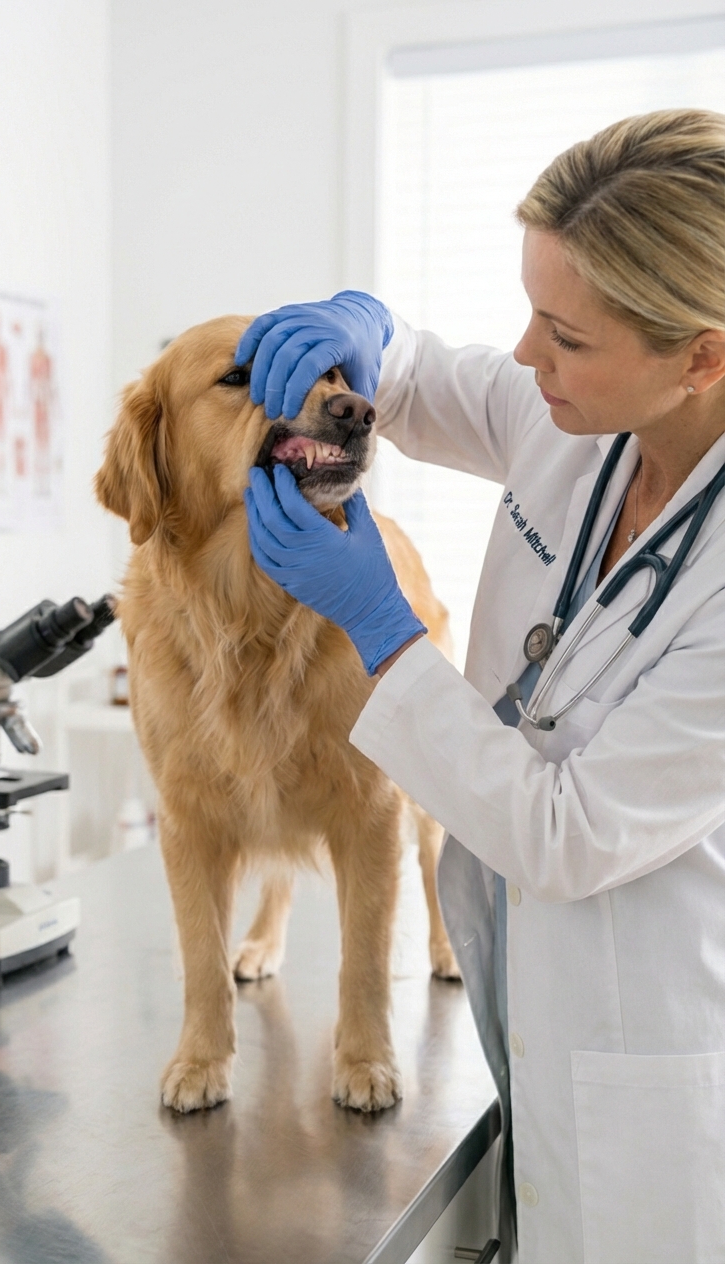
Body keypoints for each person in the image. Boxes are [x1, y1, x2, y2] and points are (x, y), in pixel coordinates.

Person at [240, 109, 725, 1263]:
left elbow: (563, 834)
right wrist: (356, 326)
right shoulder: (582, 424)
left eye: (562, 333)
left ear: (700, 355)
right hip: (526, 1003)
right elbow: (406, 374)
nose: (522, 356)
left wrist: (381, 626)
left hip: (652, 1074)